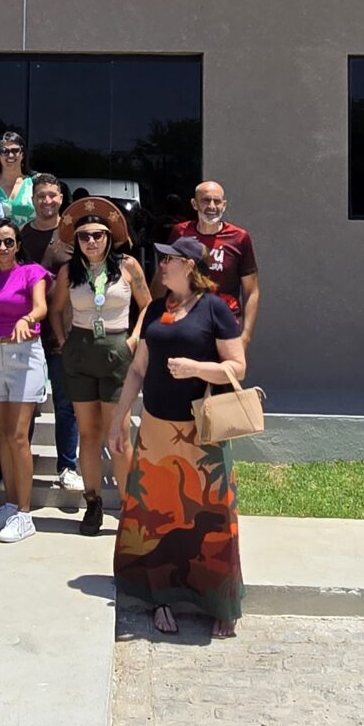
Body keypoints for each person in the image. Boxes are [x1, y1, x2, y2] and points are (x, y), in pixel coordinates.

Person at [113, 235, 247, 638]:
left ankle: (221, 602)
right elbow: (138, 369)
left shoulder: (215, 309)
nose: (162, 265)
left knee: (214, 518)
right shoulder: (156, 308)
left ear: (189, 265)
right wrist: (119, 418)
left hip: (201, 432)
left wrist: (196, 368)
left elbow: (237, 367)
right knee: (157, 517)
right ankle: (161, 598)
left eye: (169, 259)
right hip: (156, 429)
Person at [55, 216, 150, 534]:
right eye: (84, 236)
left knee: (118, 434)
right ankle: (93, 503)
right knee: (88, 433)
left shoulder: (127, 265)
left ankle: (129, 506)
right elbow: (56, 310)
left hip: (117, 350)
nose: (91, 241)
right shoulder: (69, 271)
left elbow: (147, 305)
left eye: (97, 235)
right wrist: (63, 341)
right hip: (81, 351)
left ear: (109, 237)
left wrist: (134, 339)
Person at [0, 217, 49, 544]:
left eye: (8, 241)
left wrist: (26, 319)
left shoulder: (32, 272)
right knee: (2, 435)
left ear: (18, 244)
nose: (2, 247)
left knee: (19, 436)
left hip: (25, 355)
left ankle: (25, 514)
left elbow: (41, 308)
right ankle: (10, 504)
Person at [20, 174, 78, 495]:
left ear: (61, 198)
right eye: (41, 196)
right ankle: (20, 465)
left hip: (64, 332)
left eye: (52, 195)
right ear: (32, 200)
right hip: (26, 331)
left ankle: (67, 466)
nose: (47, 201)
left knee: (65, 404)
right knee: (25, 403)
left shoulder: (73, 236)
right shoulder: (20, 237)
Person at [171, 179, 261, 350]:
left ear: (224, 205)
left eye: (217, 201)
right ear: (194, 204)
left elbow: (251, 291)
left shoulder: (240, 238)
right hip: (186, 320)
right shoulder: (180, 232)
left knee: (224, 367)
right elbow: (165, 275)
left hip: (225, 322)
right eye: (206, 200)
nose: (212, 206)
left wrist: (245, 337)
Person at [0, 131, 36, 226]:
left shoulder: (34, 182)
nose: (10, 155)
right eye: (4, 151)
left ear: (22, 154)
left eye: (15, 150)